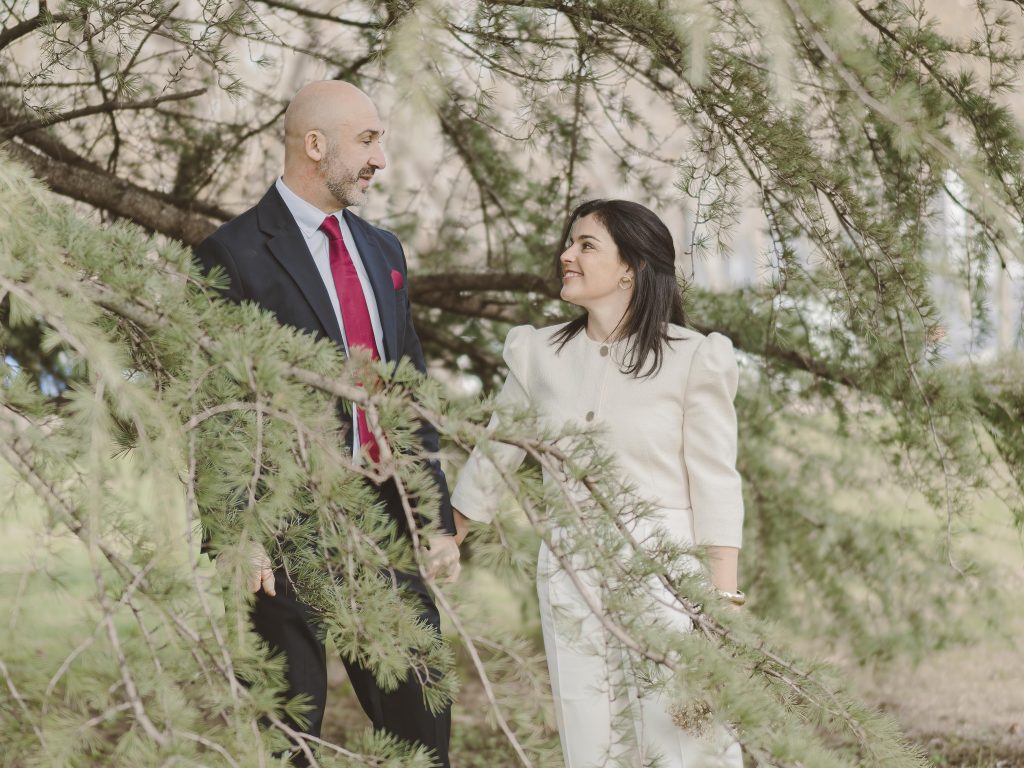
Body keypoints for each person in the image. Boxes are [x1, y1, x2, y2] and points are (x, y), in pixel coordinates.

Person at [194, 80, 459, 766]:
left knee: (422, 715)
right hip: (285, 525)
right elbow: (215, 408)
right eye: (367, 140)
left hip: (383, 522)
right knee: (288, 730)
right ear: (315, 145)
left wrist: (433, 518)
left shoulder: (383, 252)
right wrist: (238, 531)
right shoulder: (232, 254)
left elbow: (408, 392)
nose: (379, 158)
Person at [450, 199, 745, 767]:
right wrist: (447, 534)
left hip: (667, 576)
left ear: (630, 267)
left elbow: (716, 484)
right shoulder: (539, 354)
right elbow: (494, 456)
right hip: (568, 574)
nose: (568, 255)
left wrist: (721, 601)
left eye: (587, 245)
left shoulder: (693, 359)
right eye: (570, 242)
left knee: (686, 738)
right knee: (590, 739)